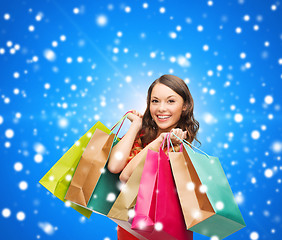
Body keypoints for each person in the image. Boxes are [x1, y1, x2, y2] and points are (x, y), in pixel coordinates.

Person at [108, 74, 200, 240]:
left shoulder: (180, 150)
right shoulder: (142, 134)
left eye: (170, 101)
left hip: (159, 234)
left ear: (185, 106)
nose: (161, 108)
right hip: (130, 230)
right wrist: (135, 127)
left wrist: (161, 141)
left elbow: (126, 176)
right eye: (155, 101)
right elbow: (114, 166)